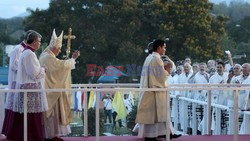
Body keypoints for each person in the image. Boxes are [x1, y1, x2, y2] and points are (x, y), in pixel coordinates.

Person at [39, 29, 80, 141]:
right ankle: (51, 135)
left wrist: (67, 61)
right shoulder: (48, 57)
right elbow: (60, 67)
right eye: (59, 48)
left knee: (51, 114)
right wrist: (73, 59)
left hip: (48, 88)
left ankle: (51, 135)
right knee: (53, 114)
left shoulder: (45, 54)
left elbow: (57, 65)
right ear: (54, 47)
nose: (60, 50)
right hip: (51, 90)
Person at [12, 31, 48, 141]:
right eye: (39, 41)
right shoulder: (29, 54)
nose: (40, 44)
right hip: (31, 90)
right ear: (34, 41)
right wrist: (43, 69)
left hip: (28, 89)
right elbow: (34, 74)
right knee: (33, 119)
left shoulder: (26, 52)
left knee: (30, 118)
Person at [1, 30, 34, 137]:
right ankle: (13, 133)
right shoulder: (17, 49)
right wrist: (26, 68)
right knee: (16, 108)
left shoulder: (27, 50)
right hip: (16, 81)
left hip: (23, 81)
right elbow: (13, 66)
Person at [136, 39, 169, 141]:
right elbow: (161, 77)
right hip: (153, 92)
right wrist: (167, 70)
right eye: (164, 47)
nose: (164, 49)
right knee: (152, 117)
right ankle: (152, 136)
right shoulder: (157, 59)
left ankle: (157, 134)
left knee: (151, 116)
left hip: (148, 90)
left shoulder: (149, 58)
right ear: (159, 47)